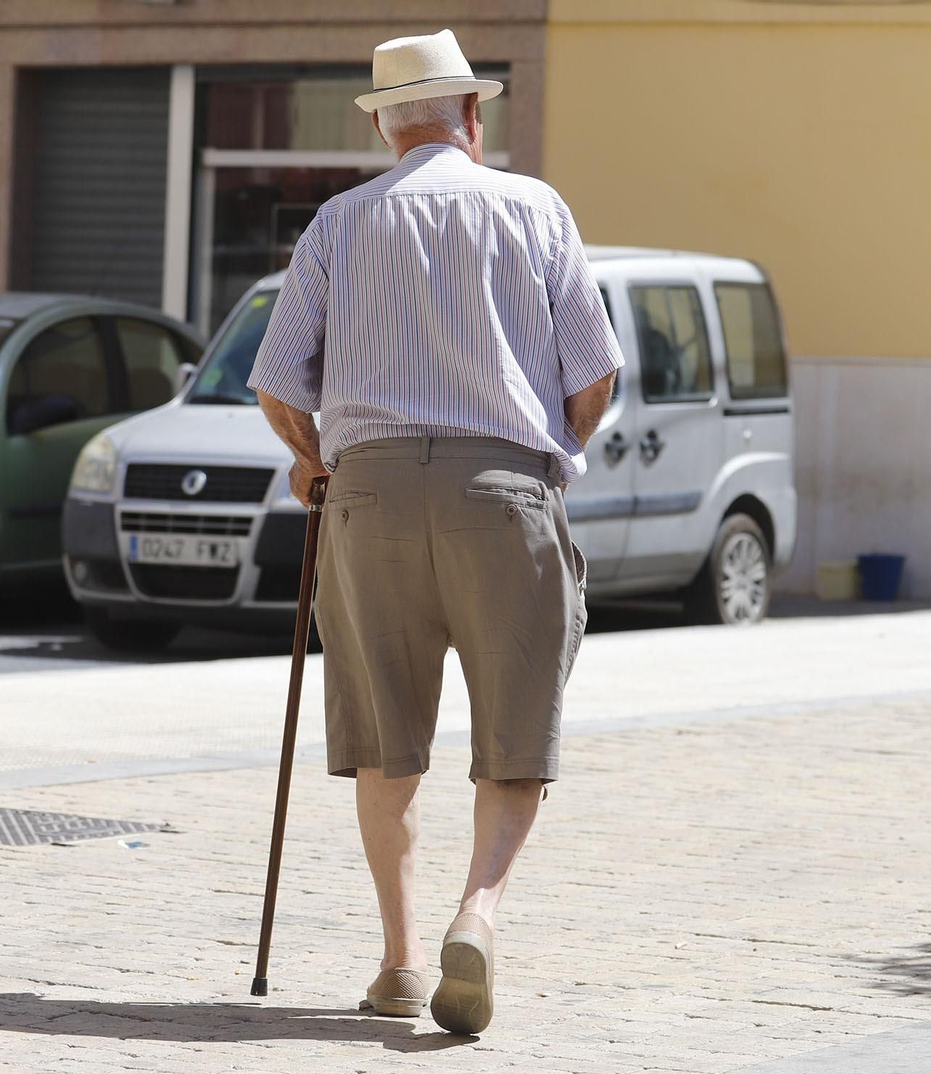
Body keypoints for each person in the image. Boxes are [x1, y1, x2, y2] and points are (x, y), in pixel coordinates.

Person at [247, 29, 622, 1036]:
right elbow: (594, 378)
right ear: (471, 117)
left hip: (365, 502)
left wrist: (315, 458)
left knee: (385, 741)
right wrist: (551, 452)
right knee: (514, 733)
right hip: (505, 492)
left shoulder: (337, 222)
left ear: (384, 128)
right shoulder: (535, 208)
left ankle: (403, 963)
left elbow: (278, 385)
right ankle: (479, 914)